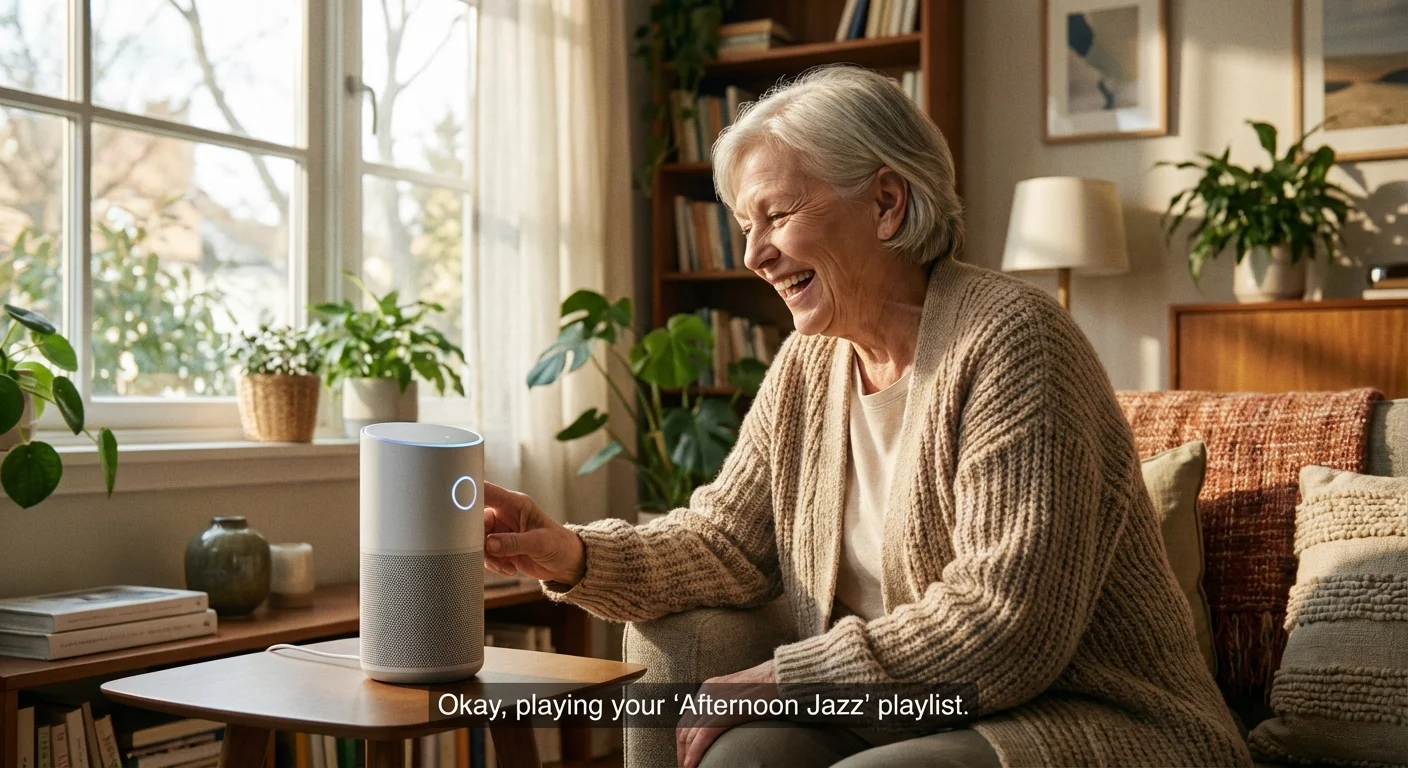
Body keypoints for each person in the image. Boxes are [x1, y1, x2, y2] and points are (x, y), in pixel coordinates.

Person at [481, 65, 1251, 768]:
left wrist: (785, 677)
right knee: (739, 757)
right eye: (747, 226)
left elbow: (1005, 623)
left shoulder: (1016, 341)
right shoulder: (810, 364)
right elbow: (726, 542)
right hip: (906, 713)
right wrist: (571, 554)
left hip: (1086, 714)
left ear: (886, 203)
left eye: (777, 215)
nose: (754, 255)